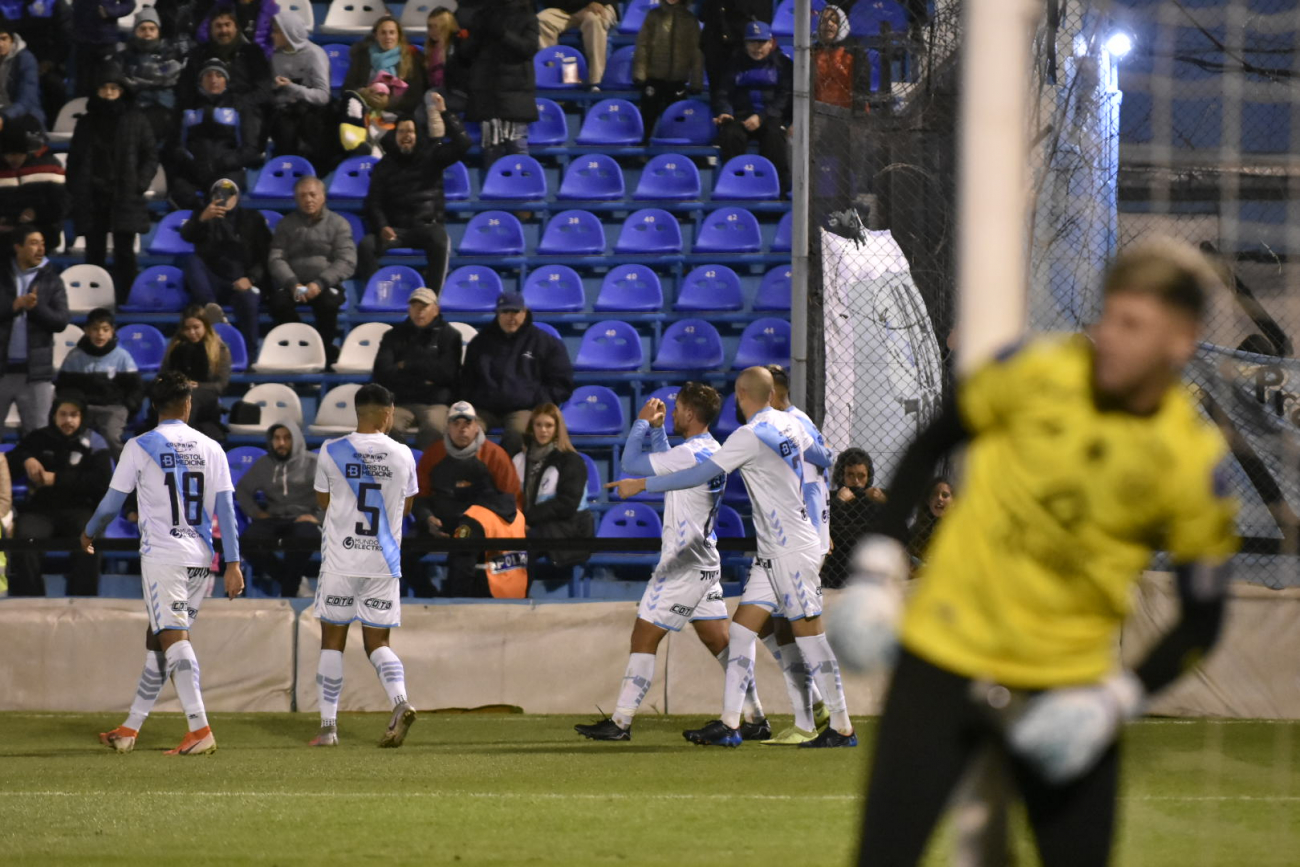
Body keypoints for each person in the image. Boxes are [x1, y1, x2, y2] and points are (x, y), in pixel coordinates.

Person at [840, 240, 1240, 867]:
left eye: (1133, 325)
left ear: (1182, 340)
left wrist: (1114, 698)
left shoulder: (1193, 460)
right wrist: (877, 564)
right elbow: (932, 440)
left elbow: (1203, 618)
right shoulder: (1034, 367)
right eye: (1109, 316)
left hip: (1065, 689)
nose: (1109, 336)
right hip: (943, 658)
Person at [608, 367, 853, 748]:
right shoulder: (792, 423)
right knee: (739, 633)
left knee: (810, 636)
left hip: (790, 549)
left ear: (742, 394)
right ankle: (733, 723)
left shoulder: (748, 435)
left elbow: (698, 473)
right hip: (775, 548)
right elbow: (823, 455)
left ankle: (840, 727)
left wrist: (643, 484)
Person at [576, 386, 769, 741]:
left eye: (678, 409)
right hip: (705, 561)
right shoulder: (710, 449)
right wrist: (659, 431)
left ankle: (620, 722)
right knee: (718, 642)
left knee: (644, 635)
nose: (675, 413)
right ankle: (756, 716)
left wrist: (641, 424)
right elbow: (673, 470)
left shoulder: (690, 454)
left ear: (691, 414)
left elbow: (631, 463)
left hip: (682, 565)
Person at [85, 373, 243, 756]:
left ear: (154, 406)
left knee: (171, 636)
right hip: (202, 560)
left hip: (164, 556)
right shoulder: (212, 448)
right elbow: (226, 510)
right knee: (158, 639)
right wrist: (234, 563)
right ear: (187, 404)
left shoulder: (140, 446)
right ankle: (130, 729)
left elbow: (111, 504)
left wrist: (89, 532)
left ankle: (199, 728)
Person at [721, 363, 836, 745]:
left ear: (773, 394)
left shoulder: (784, 426)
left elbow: (813, 473)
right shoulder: (794, 424)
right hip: (786, 540)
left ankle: (819, 717)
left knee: (797, 627)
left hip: (796, 541)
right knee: (763, 624)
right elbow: (824, 460)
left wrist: (820, 530)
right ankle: (809, 710)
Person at [310, 383, 420, 748]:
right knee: (378, 643)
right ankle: (400, 701)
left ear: (358, 412)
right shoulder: (403, 455)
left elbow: (324, 501)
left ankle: (328, 728)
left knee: (332, 641)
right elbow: (406, 507)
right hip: (383, 562)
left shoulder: (331, 450)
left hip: (341, 561)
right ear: (387, 413)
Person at [407, 400, 521, 595]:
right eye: (456, 424)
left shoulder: (495, 456)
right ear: (448, 427)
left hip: (476, 526)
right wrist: (428, 519)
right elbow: (420, 496)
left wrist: (480, 521)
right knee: (403, 553)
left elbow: (510, 500)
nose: (462, 430)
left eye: (467, 424)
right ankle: (431, 599)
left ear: (476, 426)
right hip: (441, 523)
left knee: (463, 549)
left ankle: (457, 605)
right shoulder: (433, 454)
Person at [67, 64, 158, 303]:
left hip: (125, 194)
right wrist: (77, 189)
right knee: (94, 252)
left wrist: (139, 183)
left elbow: (151, 155)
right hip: (92, 196)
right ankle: (93, 301)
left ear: (122, 91)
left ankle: (127, 300)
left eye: (114, 88)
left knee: (125, 254)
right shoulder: (86, 122)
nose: (108, 93)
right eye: (104, 88)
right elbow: (75, 160)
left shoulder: (136, 119)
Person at [6, 392, 112, 596]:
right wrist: (26, 458)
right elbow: (11, 460)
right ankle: (30, 601)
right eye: (63, 414)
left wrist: (56, 479)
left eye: (74, 415)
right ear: (54, 416)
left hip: (80, 508)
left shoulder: (96, 442)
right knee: (24, 539)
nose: (68, 420)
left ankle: (81, 602)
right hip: (41, 510)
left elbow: (101, 481)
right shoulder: (39, 438)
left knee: (89, 539)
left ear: (81, 417)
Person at [360, 103, 469, 291]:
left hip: (424, 228)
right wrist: (382, 226)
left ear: (417, 134)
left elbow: (463, 144)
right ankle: (376, 296)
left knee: (439, 238)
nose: (406, 136)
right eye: (401, 132)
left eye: (410, 131)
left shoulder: (433, 155)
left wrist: (445, 112)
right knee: (366, 245)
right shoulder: (384, 165)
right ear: (395, 136)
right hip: (395, 231)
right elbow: (374, 202)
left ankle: (432, 299)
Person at [459, 291, 575, 455]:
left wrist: (538, 402)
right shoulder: (481, 342)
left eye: (515, 312)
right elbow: (467, 379)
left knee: (518, 434)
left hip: (523, 409)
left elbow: (562, 382)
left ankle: (507, 478)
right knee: (463, 431)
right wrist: (474, 399)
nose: (510, 317)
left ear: (525, 312)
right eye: (505, 312)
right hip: (484, 409)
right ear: (498, 314)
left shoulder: (545, 342)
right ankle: (471, 477)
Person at [267, 176, 356, 364]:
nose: (308, 199)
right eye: (302, 196)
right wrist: (292, 283)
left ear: (323, 196)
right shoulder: (286, 224)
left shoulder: (338, 224)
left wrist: (320, 283)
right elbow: (276, 258)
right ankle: (303, 345)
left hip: (325, 285)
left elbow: (347, 260)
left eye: (313, 194)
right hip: (294, 284)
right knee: (277, 303)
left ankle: (323, 351)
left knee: (329, 303)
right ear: (296, 199)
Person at [180, 178, 271, 354]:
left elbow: (266, 255)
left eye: (229, 195)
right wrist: (202, 220)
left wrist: (251, 278)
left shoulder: (253, 218)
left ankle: (249, 357)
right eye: (219, 194)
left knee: (249, 300)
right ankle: (210, 308)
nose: (224, 199)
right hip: (212, 281)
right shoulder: (203, 214)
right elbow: (187, 236)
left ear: (237, 197)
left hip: (242, 281)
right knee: (192, 260)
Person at [235, 422, 322, 598]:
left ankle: (288, 593)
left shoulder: (314, 463)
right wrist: (256, 512)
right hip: (273, 517)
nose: (281, 443)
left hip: (304, 517)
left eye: (287, 438)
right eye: (277, 438)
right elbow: (243, 489)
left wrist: (318, 517)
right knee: (247, 542)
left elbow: (334, 494)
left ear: (296, 440)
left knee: (303, 538)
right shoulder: (264, 464)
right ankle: (293, 583)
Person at [166, 58, 264, 210]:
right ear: (201, 80)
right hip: (193, 171)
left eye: (219, 75)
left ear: (226, 80)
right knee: (179, 193)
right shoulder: (186, 106)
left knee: (222, 201)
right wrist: (191, 163)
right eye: (208, 75)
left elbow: (250, 149)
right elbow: (174, 145)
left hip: (227, 171)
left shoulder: (240, 107)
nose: (213, 80)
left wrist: (225, 162)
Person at [371, 287, 462, 449]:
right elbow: (382, 373)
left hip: (436, 402)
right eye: (415, 307)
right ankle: (402, 468)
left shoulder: (450, 336)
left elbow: (448, 374)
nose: (419, 312)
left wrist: (406, 364)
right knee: (384, 429)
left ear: (436, 309)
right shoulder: (393, 335)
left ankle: (427, 472)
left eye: (424, 307)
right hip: (401, 401)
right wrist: (426, 375)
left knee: (433, 430)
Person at [0, 225, 68, 435]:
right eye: (33, 243)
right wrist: (15, 306)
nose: (40, 249)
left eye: (42, 244)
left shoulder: (52, 280)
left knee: (38, 439)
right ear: (18, 247)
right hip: (2, 371)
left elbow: (61, 321)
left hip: (36, 374)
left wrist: (35, 308)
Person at [511, 403, 594, 573]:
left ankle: (518, 594)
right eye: (538, 425)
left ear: (557, 429)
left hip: (571, 529)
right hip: (537, 525)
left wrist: (527, 520)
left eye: (549, 425)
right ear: (531, 427)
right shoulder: (520, 459)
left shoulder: (571, 461)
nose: (543, 430)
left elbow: (567, 504)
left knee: (525, 544)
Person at [713, 20, 793, 193]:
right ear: (745, 44)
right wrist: (725, 112)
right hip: (741, 115)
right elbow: (723, 93)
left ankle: (776, 190)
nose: (757, 47)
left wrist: (762, 116)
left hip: (770, 116)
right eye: (752, 42)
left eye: (761, 42)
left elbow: (784, 97)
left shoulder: (783, 64)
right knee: (730, 134)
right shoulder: (734, 63)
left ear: (770, 42)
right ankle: (735, 187)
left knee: (774, 137)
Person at [55, 307, 144, 457]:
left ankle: (128, 473)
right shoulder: (74, 357)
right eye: (95, 329)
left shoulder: (122, 357)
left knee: (110, 436)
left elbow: (136, 388)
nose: (100, 334)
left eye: (105, 329)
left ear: (112, 331)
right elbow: (63, 388)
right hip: (83, 409)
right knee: (76, 439)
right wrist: (76, 406)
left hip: (113, 409)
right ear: (87, 330)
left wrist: (128, 407)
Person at [459, 0, 538, 166]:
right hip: (486, 92)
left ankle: (522, 187)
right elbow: (466, 54)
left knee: (517, 147)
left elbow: (529, 48)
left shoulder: (527, 16)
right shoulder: (481, 16)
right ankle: (494, 190)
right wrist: (475, 37)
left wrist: (503, 34)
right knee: (491, 150)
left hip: (515, 93)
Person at [177, 4, 273, 117]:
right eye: (218, 26)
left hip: (244, 112)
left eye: (228, 25)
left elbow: (264, 90)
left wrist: (237, 104)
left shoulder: (253, 53)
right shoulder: (198, 54)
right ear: (211, 30)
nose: (224, 30)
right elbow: (185, 88)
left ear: (236, 28)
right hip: (206, 111)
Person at [267, 9, 331, 170]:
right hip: (285, 110)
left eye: (276, 32)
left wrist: (291, 87)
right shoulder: (275, 56)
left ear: (289, 33)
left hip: (312, 111)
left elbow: (323, 96)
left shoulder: (315, 54)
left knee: (311, 128)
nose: (272, 36)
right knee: (282, 128)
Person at [631, 0, 703, 140]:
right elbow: (642, 45)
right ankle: (644, 147)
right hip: (654, 77)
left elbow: (697, 52)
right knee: (648, 113)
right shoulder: (653, 16)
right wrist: (640, 73)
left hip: (678, 80)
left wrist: (696, 81)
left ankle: (674, 152)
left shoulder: (690, 20)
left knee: (677, 117)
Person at [159, 305, 232, 441]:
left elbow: (221, 385)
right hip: (177, 395)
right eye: (187, 329)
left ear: (205, 326)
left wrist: (198, 386)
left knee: (189, 396)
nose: (192, 332)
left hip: (206, 400)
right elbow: (163, 376)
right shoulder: (175, 348)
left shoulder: (219, 349)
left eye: (196, 327)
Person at [820, 447, 885, 588]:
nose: (856, 481)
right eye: (850, 475)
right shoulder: (830, 498)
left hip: (867, 568)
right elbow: (832, 532)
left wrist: (883, 502)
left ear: (868, 477)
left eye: (861, 476)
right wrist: (839, 503)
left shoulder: (875, 498)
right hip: (836, 571)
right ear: (841, 476)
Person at [0, 114, 66, 251]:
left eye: (17, 154)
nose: (12, 159)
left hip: (43, 232)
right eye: (8, 154)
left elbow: (62, 205)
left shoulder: (49, 167)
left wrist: (36, 214)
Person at [119, 7, 186, 140]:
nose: (147, 32)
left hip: (166, 107)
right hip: (137, 107)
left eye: (152, 28)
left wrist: (141, 77)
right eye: (142, 29)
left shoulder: (170, 53)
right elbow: (125, 81)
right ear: (135, 31)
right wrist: (158, 76)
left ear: (158, 31)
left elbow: (171, 74)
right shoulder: (125, 57)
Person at [342, 16, 428, 119]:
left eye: (392, 32)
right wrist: (363, 93)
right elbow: (348, 88)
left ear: (398, 35)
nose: (388, 37)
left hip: (399, 113)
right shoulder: (363, 56)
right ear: (376, 35)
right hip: (364, 110)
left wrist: (388, 103)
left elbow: (415, 95)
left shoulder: (412, 58)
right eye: (383, 33)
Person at [537, 0, 617, 89]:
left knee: (594, 19)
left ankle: (596, 82)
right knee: (542, 20)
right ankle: (550, 75)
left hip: (600, 6)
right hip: (568, 8)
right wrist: (585, 3)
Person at [698, 0, 771, 97]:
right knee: (717, 92)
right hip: (714, 44)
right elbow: (703, 14)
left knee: (741, 93)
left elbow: (762, 21)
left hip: (742, 45)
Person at [71, 0, 135, 97]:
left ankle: (105, 108)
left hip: (105, 40)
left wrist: (110, 11)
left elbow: (129, 4)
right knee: (83, 84)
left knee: (106, 81)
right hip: (82, 40)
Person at [423, 6, 468, 113]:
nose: (433, 31)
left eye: (437, 27)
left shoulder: (458, 45)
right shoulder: (431, 49)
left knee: (430, 97)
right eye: (430, 27)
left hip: (458, 94)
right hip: (438, 93)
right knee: (419, 113)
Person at [0, 23, 45, 127]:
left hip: (23, 118)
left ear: (11, 39)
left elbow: (26, 101)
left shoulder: (25, 59)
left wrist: (4, 117)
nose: (0, 44)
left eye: (3, 39)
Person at [907, 476, 952, 564]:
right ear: (928, 501)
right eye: (935, 494)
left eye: (945, 495)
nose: (939, 498)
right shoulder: (918, 528)